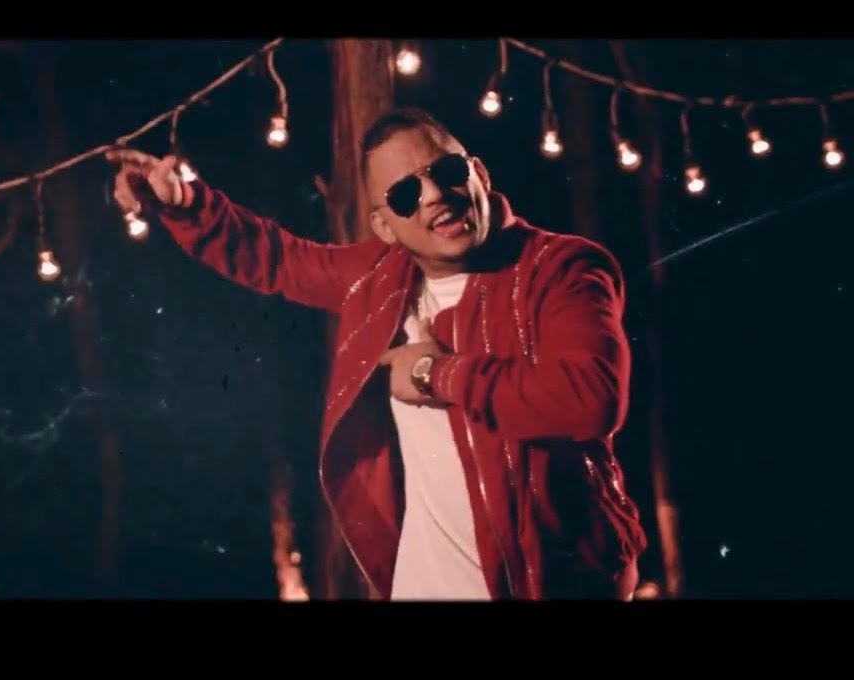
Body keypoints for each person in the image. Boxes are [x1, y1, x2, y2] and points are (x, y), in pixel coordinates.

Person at [106, 107, 648, 601]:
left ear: (479, 174)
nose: (434, 195)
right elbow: (277, 259)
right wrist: (184, 203)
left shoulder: (561, 268)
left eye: (447, 171)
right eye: (406, 194)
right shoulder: (379, 280)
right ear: (385, 226)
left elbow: (591, 399)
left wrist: (435, 372)